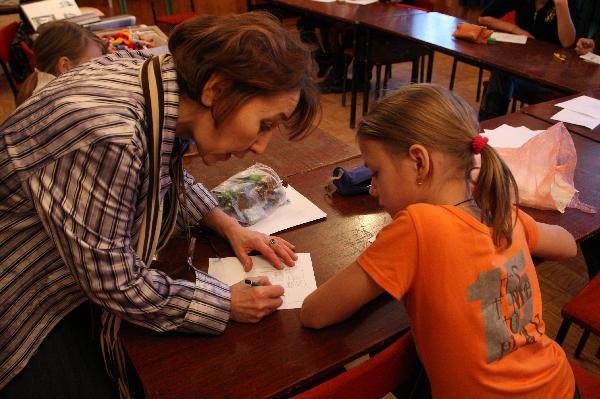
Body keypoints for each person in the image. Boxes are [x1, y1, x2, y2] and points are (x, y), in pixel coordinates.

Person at [0, 12, 318, 398]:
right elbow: (114, 283)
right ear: (215, 90)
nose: (260, 146)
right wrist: (224, 302)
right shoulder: (108, 133)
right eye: (265, 124)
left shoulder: (158, 82)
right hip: (26, 304)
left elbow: (160, 172)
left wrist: (228, 225)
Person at [300, 84, 580, 398]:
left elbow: (315, 313)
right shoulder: (503, 213)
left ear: (420, 163)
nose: (372, 189)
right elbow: (568, 245)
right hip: (561, 386)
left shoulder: (418, 226)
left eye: (376, 173)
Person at [477, 0, 581, 120]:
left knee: (503, 76)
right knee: (502, 72)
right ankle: (488, 126)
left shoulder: (566, 3)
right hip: (521, 69)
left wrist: (561, 4)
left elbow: (567, 42)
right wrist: (515, 29)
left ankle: (488, 124)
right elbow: (483, 18)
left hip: (550, 78)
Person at [15, 20, 107, 107]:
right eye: (94, 64)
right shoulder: (66, 105)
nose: (100, 70)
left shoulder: (38, 86)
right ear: (65, 66)